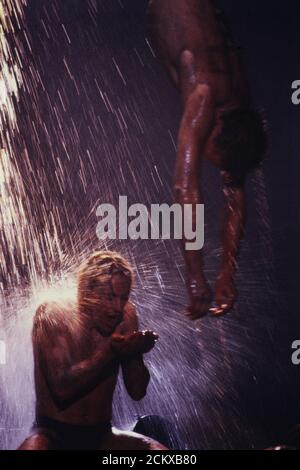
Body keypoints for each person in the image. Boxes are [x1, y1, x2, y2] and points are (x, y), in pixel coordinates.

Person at [147, 0, 268, 318]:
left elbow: (236, 193)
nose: (211, 165)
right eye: (215, 160)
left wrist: (228, 272)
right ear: (212, 131)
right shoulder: (204, 98)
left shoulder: (239, 110)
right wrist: (195, 274)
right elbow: (185, 190)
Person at [18, 251, 167, 450]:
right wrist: (112, 352)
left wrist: (135, 353)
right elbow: (62, 390)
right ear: (88, 293)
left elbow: (137, 392)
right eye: (110, 297)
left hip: (102, 435)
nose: (117, 307)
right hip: (52, 434)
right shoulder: (53, 315)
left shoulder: (126, 316)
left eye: (123, 298)